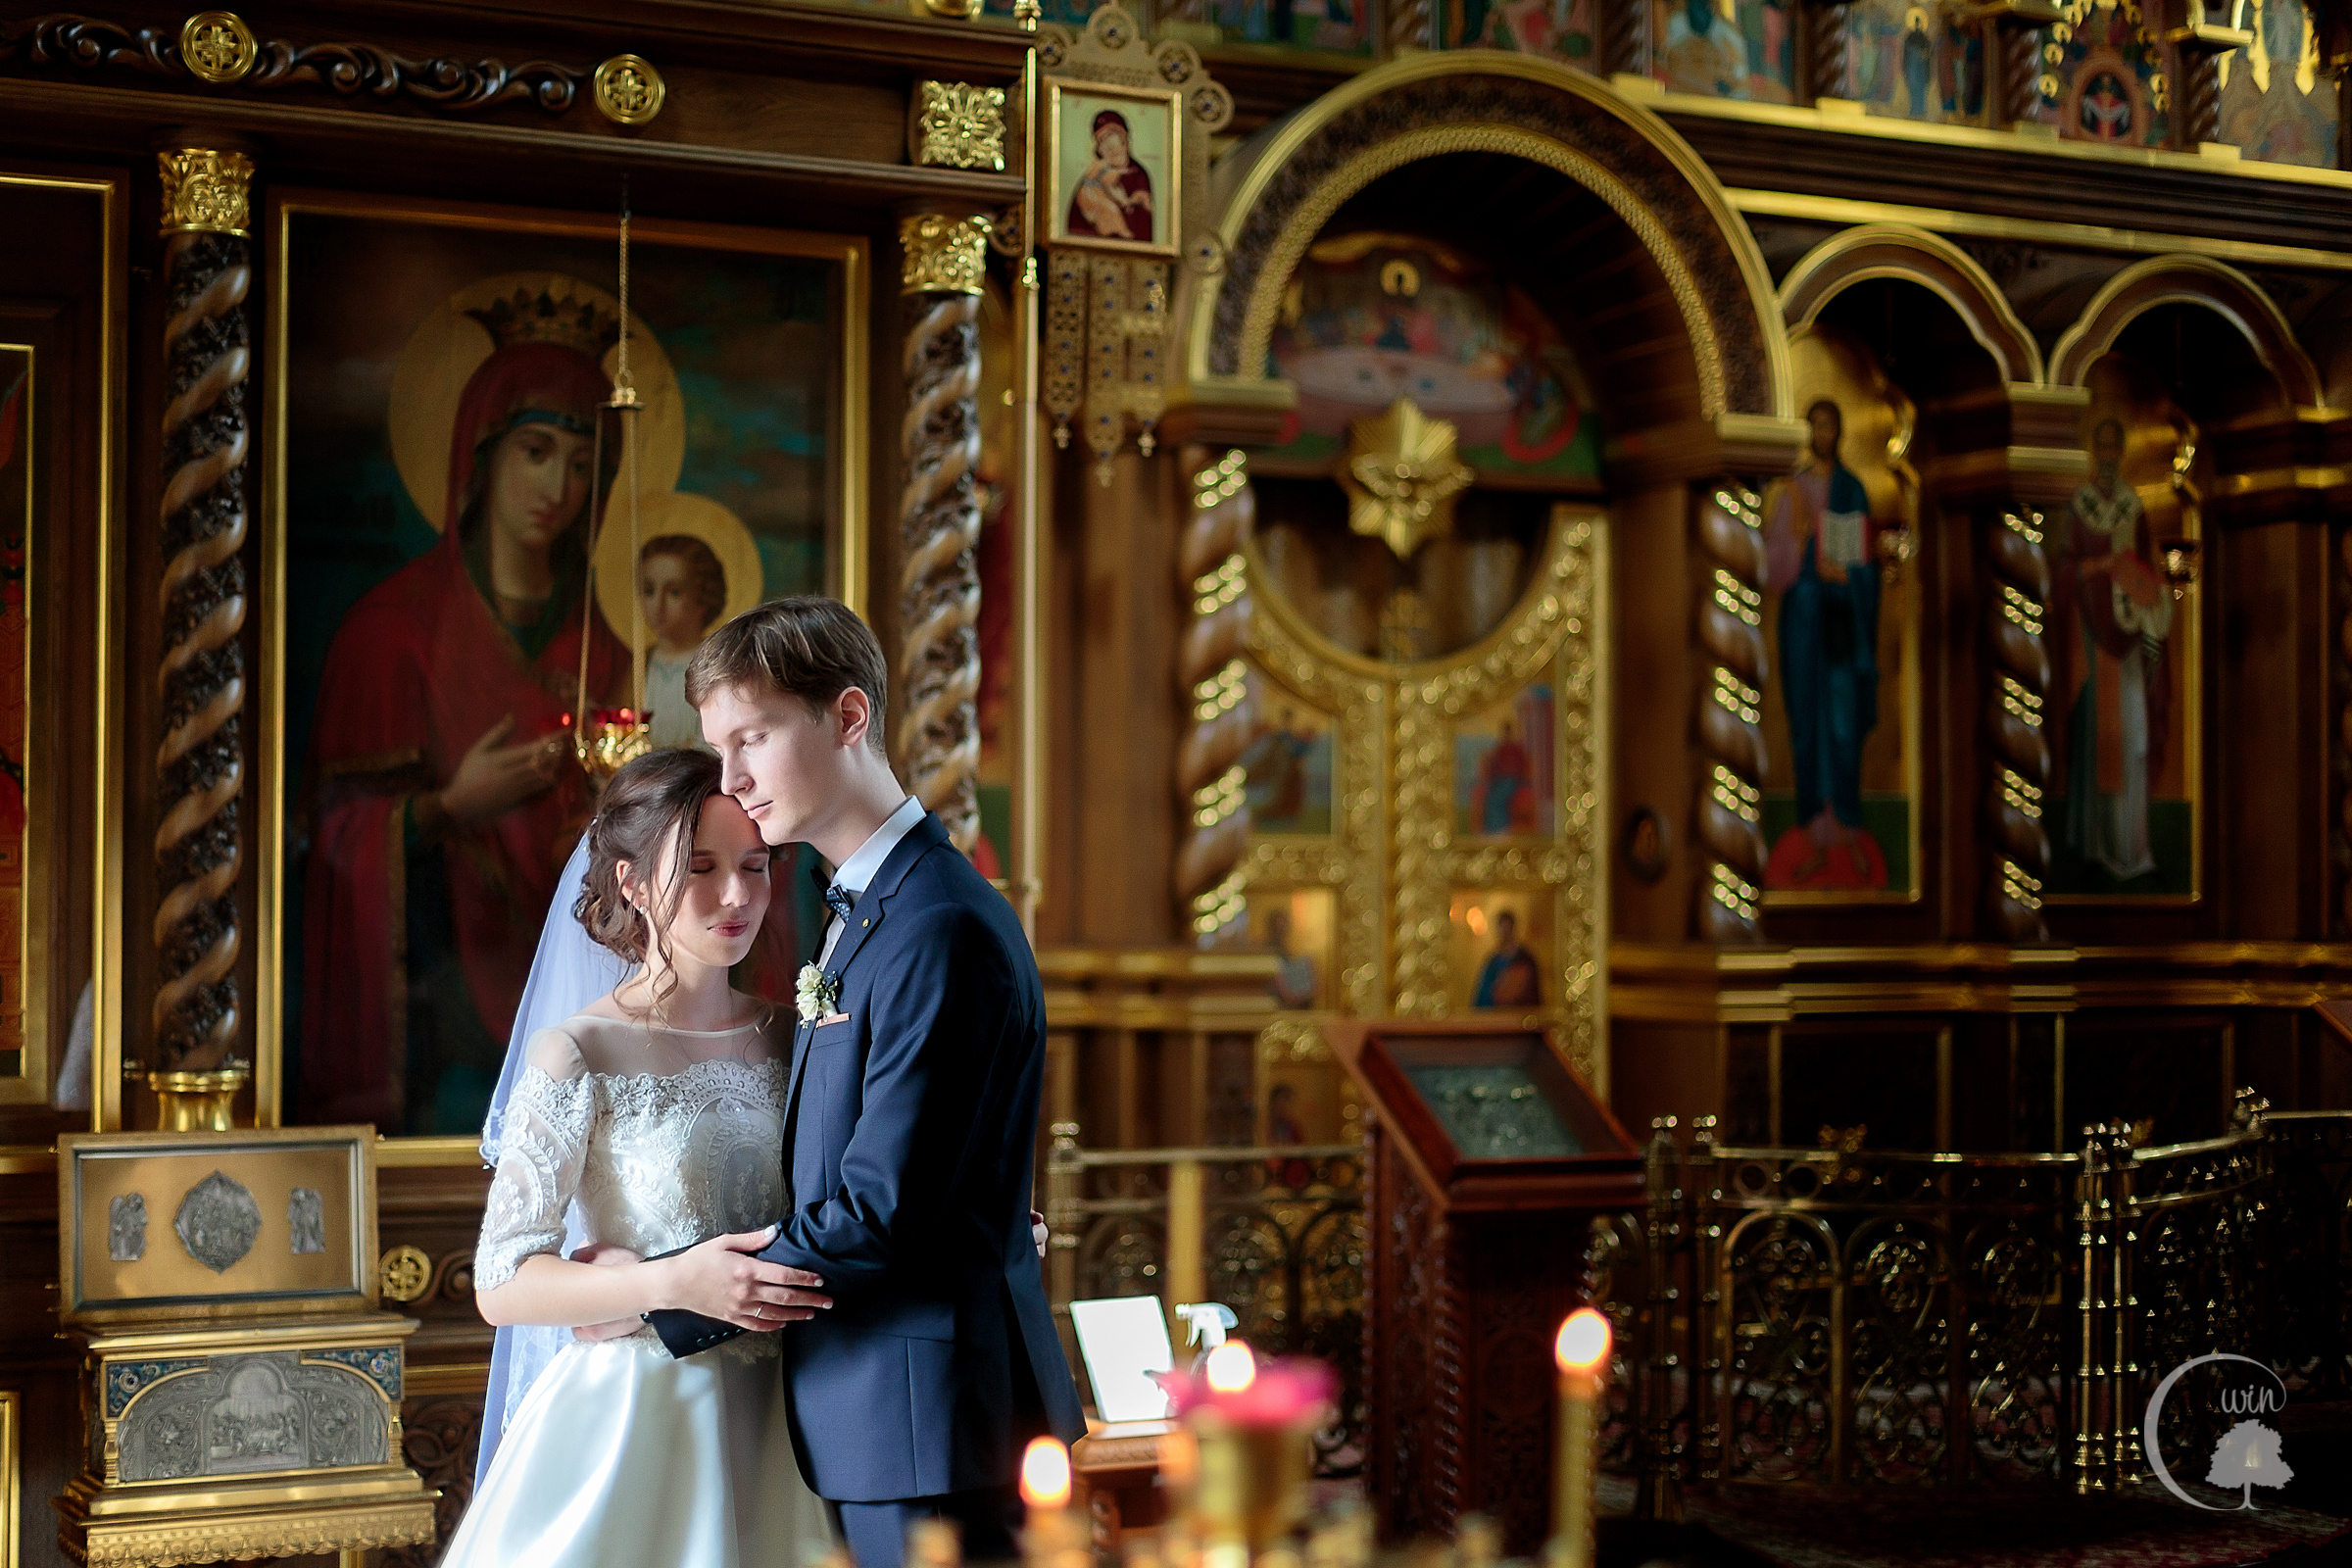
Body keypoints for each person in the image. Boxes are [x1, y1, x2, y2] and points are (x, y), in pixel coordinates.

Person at [645, 597, 1085, 1568]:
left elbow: (883, 1210)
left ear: (848, 717)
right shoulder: (871, 910)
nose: (732, 778)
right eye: (719, 749)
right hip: (887, 1416)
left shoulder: (937, 925)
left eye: (752, 737)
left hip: (930, 1424)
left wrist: (668, 1294)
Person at [444, 749, 834, 1568]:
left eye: (754, 866)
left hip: (793, 1418)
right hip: (639, 1424)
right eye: (701, 869)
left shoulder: (792, 1038)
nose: (738, 896)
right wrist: (665, 1284)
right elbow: (502, 1282)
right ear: (632, 884)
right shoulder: (578, 1051)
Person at [299, 293, 627, 1133]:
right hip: (441, 1009)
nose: (558, 488)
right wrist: (448, 808)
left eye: (582, 464)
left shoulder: (609, 648)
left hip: (587, 999)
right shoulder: (389, 634)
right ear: (479, 457)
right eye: (536, 452)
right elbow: (326, 842)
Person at [1763, 398, 1884, 889]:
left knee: (1842, 721)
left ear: (1840, 431)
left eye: (1830, 425)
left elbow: (1865, 562)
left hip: (1841, 620)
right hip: (1802, 616)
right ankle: (1814, 829)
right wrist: (1796, 542)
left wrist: (1850, 573)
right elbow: (1774, 566)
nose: (1822, 433)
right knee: (1807, 717)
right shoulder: (1792, 488)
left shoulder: (1851, 489)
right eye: (1814, 425)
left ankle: (1847, 825)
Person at [2052, 418, 2172, 883]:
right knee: (2099, 742)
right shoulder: (2079, 506)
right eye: (2100, 447)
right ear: (2092, 451)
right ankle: (2097, 846)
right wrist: (2098, 565)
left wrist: (2150, 594)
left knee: (2135, 739)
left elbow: (2147, 569)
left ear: (2120, 452)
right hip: (2091, 640)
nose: (2106, 455)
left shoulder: (2132, 507)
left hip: (2128, 638)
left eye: (2113, 448)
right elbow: (2063, 571)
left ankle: (2133, 849)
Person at [638, 534, 729, 751]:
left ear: (703, 597)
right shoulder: (640, 664)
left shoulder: (719, 666)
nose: (658, 605)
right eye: (649, 591)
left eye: (674, 592)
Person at [1066, 110, 1154, 244]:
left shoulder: (1139, 176)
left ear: (1125, 140)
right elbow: (1075, 227)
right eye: (1102, 140)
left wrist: (1126, 204)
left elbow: (1143, 228)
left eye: (1112, 135)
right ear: (1099, 150)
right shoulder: (1092, 176)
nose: (1110, 146)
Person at [1472, 719, 1535, 836]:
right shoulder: (1501, 748)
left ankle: (1501, 829)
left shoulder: (1515, 748)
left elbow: (1521, 766)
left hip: (1511, 781)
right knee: (1490, 798)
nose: (1506, 735)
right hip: (1501, 781)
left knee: (1496, 799)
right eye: (1504, 732)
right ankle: (1492, 830)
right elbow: (1494, 765)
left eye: (1507, 732)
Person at [1472, 909, 1541, 1008]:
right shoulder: (1493, 960)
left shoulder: (1525, 958)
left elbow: (1532, 994)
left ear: (1512, 928)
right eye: (1502, 928)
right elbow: (1483, 994)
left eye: (1507, 928)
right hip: (1496, 1014)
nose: (1504, 932)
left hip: (1519, 1013)